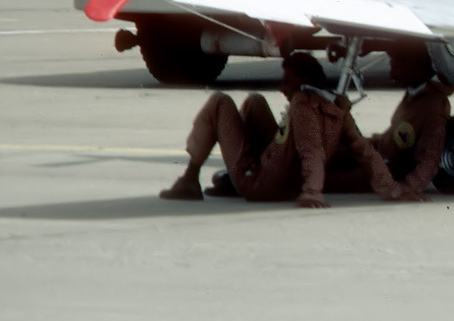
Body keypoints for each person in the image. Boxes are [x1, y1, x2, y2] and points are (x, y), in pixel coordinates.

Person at [159, 52, 415, 207]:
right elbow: (364, 149)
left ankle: (190, 178)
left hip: (258, 184)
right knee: (255, 102)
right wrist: (391, 189)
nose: (282, 87)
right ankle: (229, 178)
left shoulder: (302, 108)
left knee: (220, 103)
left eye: (287, 82)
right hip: (285, 179)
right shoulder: (337, 108)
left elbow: (311, 150)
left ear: (302, 83)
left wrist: (312, 193)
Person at [324, 46, 453, 197]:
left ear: (414, 67)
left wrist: (409, 188)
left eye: (396, 66)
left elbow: (430, 156)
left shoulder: (432, 105)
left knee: (318, 180)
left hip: (383, 172)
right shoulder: (416, 95)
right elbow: (394, 137)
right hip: (376, 156)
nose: (392, 72)